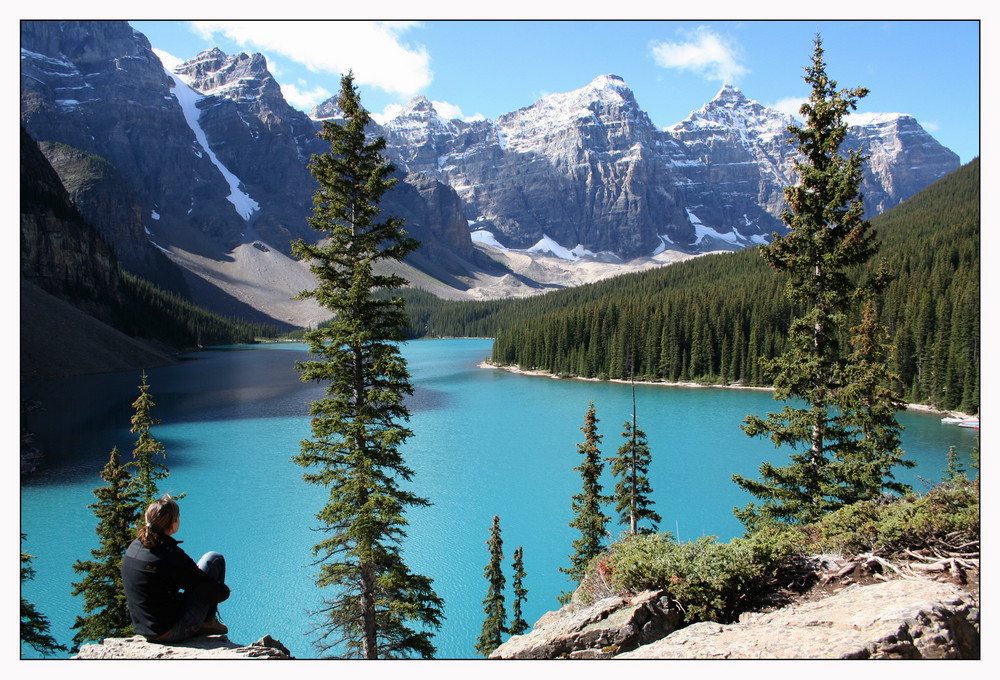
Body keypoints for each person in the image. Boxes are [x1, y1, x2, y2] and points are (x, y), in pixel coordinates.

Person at [121, 494, 231, 643]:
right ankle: (206, 622)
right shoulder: (169, 554)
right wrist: (223, 590)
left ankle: (202, 622)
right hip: (170, 631)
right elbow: (215, 592)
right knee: (214, 559)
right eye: (177, 517)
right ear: (173, 523)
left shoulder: (134, 546)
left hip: (146, 629)